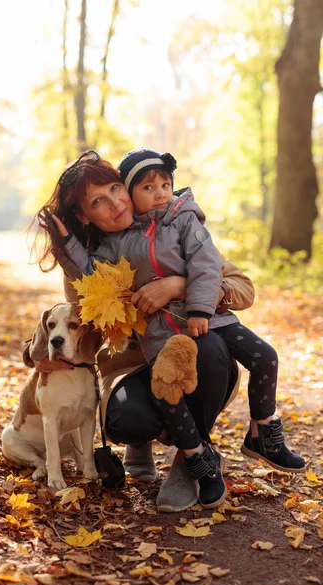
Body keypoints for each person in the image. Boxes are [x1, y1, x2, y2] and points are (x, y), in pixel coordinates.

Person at [32, 150, 255, 512]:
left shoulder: (172, 226)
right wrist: (36, 352)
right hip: (133, 366)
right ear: (83, 216)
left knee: (211, 347)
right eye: (98, 202)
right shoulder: (87, 263)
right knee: (125, 420)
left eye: (116, 188)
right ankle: (142, 439)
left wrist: (179, 285)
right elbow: (69, 320)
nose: (115, 203)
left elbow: (242, 287)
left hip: (190, 354)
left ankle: (190, 457)